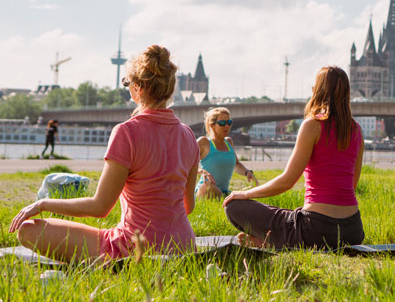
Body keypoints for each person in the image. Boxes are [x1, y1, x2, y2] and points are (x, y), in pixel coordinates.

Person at [9, 45, 200, 261]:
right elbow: (188, 206)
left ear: (138, 87)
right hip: (184, 247)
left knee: (27, 230)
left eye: (127, 84)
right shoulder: (188, 135)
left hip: (134, 248)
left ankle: (115, 264)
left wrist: (42, 204)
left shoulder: (127, 132)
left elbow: (100, 206)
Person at [223, 66, 365, 250]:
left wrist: (245, 194)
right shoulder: (356, 130)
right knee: (293, 215)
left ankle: (272, 242)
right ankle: (274, 240)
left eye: (315, 86)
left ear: (318, 91)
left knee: (234, 206)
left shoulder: (313, 125)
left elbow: (287, 181)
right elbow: (351, 186)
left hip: (316, 229)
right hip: (352, 231)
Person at [196, 107, 258, 199]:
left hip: (224, 192)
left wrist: (247, 172)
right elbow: (184, 164)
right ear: (212, 125)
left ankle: (226, 198)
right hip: (206, 190)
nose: (227, 126)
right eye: (222, 123)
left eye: (229, 123)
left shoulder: (229, 142)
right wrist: (201, 171)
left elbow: (236, 164)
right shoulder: (204, 142)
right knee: (210, 187)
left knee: (254, 190)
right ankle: (228, 199)